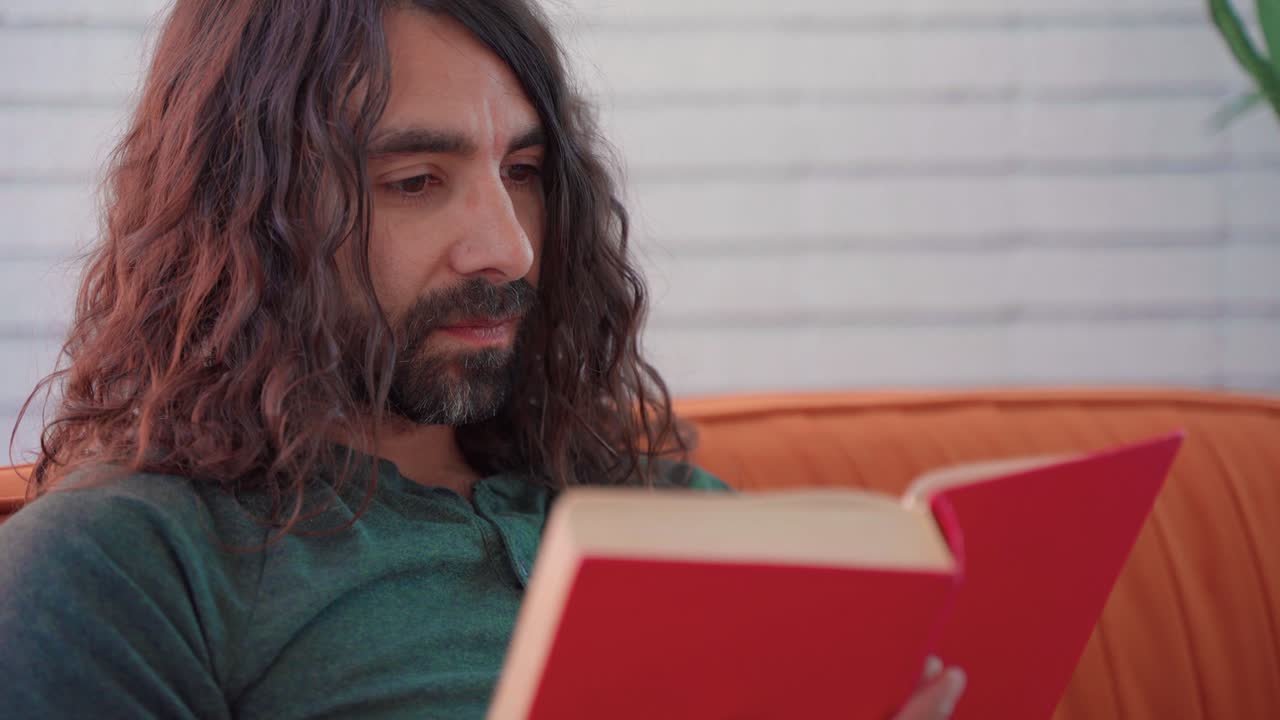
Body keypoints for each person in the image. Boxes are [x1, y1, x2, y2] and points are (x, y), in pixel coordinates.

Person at [0, 1, 965, 717]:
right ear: (245, 211)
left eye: (524, 174)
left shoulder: (662, 507)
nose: (508, 249)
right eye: (417, 181)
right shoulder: (126, 561)